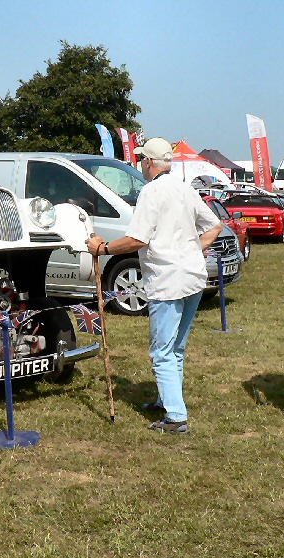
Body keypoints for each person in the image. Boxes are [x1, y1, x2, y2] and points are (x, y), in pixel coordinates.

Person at [86, 137, 223, 434]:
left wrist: (102, 248)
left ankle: (175, 415)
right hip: (193, 277)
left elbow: (138, 239)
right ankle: (166, 398)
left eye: (141, 161)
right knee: (176, 347)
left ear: (148, 162)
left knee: (162, 350)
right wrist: (191, 249)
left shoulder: (150, 192)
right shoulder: (185, 188)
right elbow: (215, 226)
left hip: (168, 281)